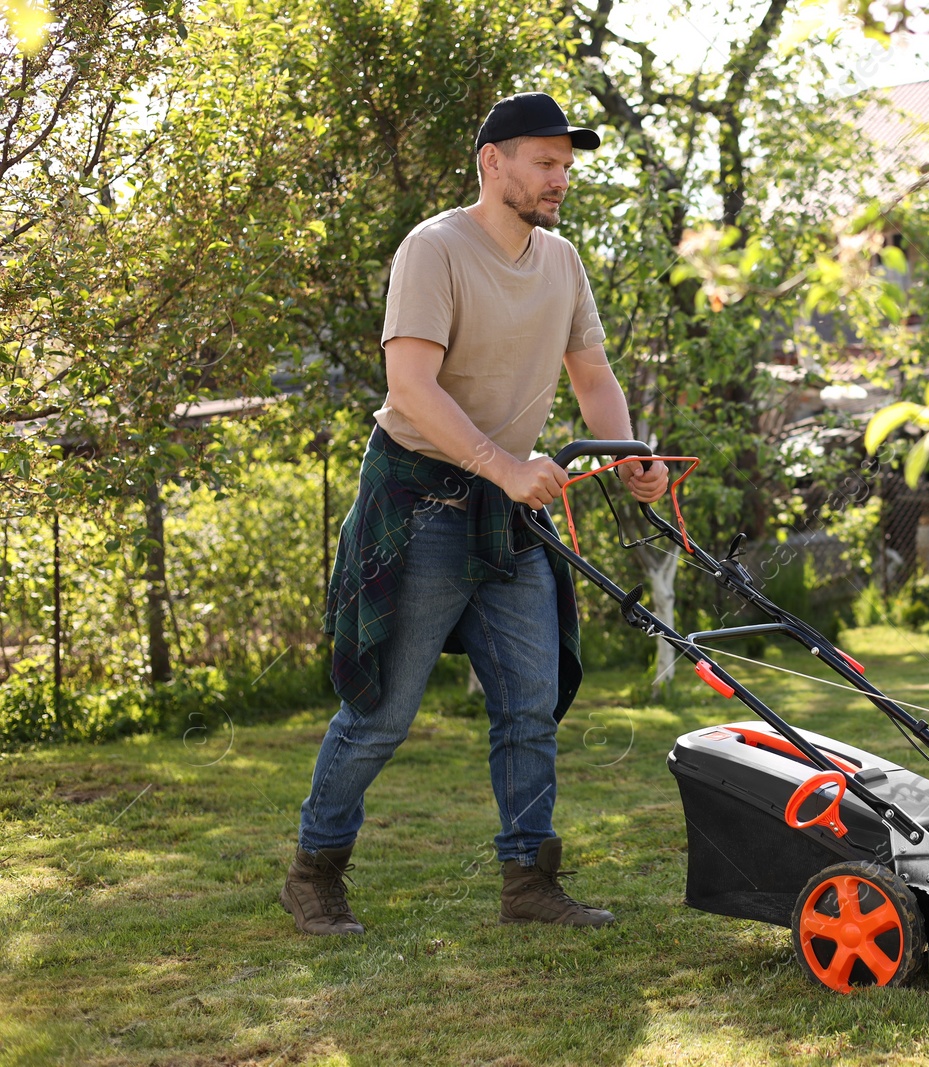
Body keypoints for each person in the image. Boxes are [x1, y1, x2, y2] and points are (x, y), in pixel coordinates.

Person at [280, 93, 667, 936]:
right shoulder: (436, 249)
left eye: (566, 164)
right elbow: (410, 388)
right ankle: (315, 870)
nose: (559, 178)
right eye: (543, 161)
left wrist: (630, 453)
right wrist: (501, 464)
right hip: (420, 499)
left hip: (509, 506)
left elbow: (593, 378)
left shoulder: (561, 262)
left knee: (529, 703)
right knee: (381, 712)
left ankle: (528, 881)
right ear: (492, 161)